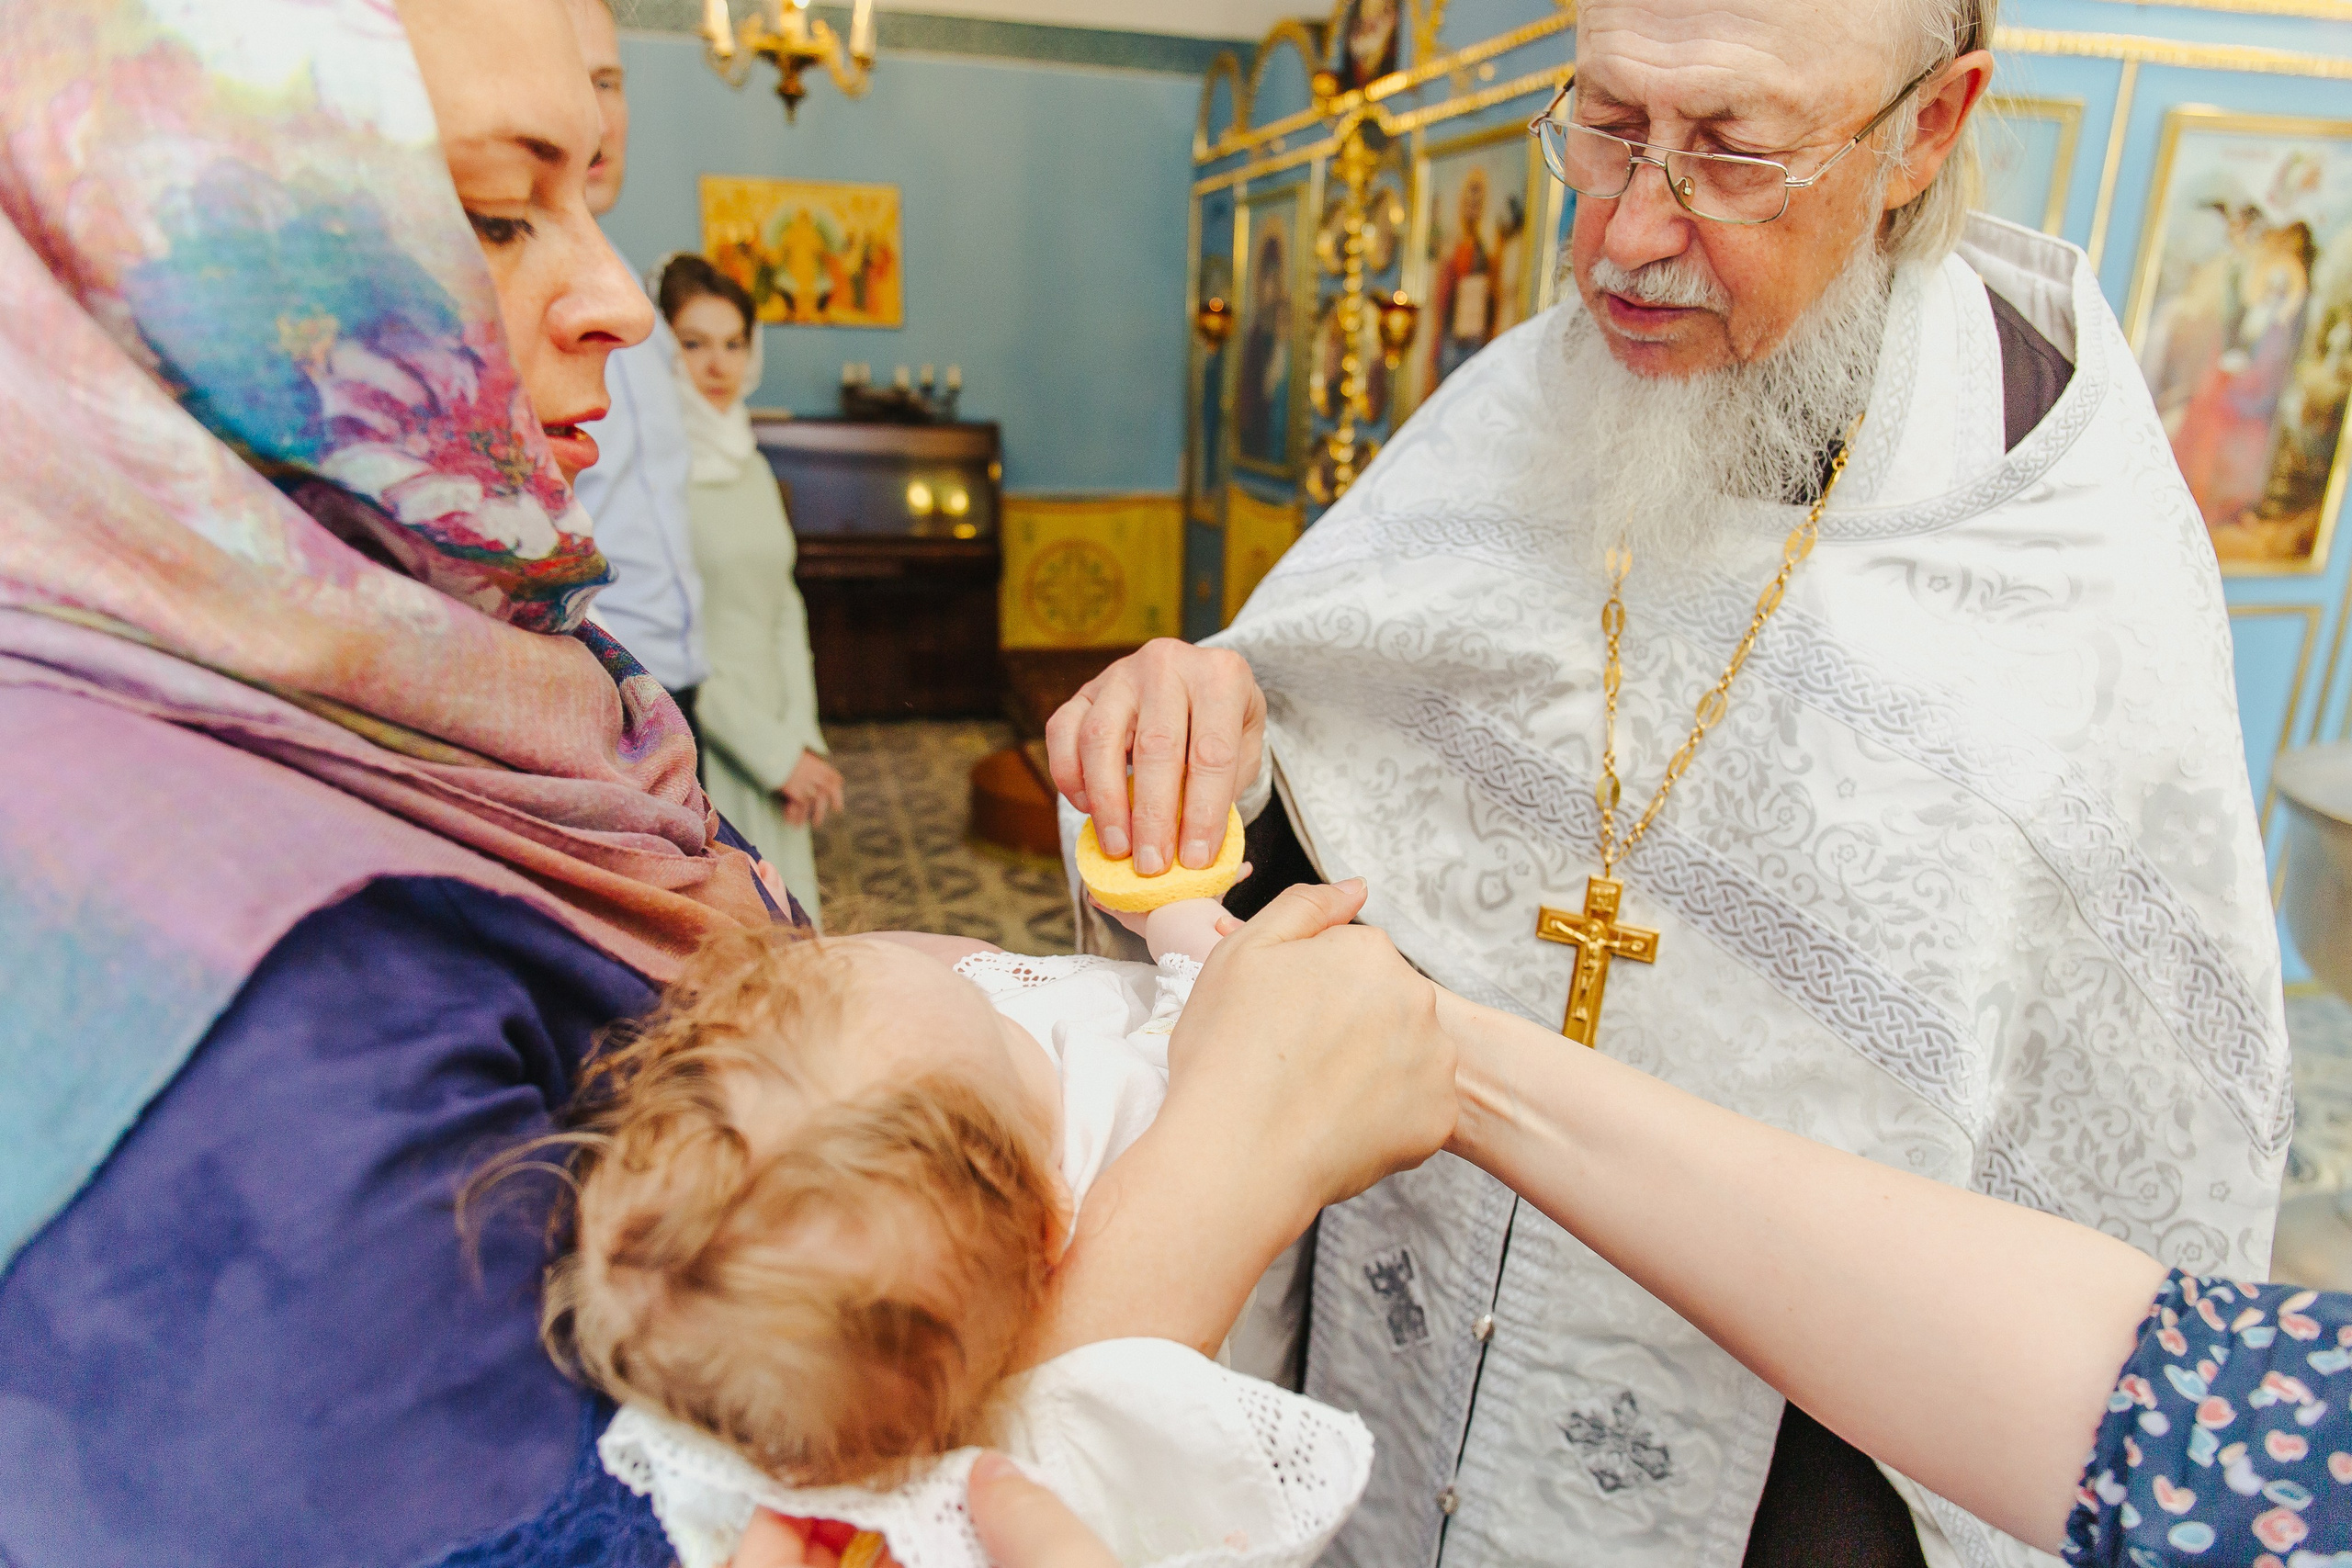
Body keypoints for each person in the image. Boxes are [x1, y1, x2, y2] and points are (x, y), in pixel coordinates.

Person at [0, 4, 1460, 1563]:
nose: (620, 299)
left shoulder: (457, 658)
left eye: (593, 196)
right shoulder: (256, 995)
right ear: (166, 254)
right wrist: (1229, 1159)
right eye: (500, 212)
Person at [1047, 1, 2291, 1562]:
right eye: (1608, 125)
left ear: (1928, 125)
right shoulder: (1522, 397)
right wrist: (1211, 722)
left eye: (1732, 153)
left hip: (1776, 1479)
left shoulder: (2062, 553)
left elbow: (2120, 1144)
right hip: (1396, 1351)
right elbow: (1314, 738)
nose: (1630, 233)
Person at [554, 893, 1368, 1567]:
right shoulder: (1129, 1133)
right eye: (996, 1026)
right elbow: (1216, 1026)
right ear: (1050, 1224)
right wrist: (1185, 934)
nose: (997, 994)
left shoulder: (879, 1341)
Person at [659, 254, 842, 920]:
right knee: (739, 932)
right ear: (661, 348)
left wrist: (802, 738)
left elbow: (784, 606)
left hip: (778, 734)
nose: (718, 365)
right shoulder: (658, 479)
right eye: (694, 343)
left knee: (795, 927)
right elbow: (672, 644)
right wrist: (770, 753)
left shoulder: (752, 464)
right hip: (711, 740)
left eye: (734, 344)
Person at [567, 0, 713, 730]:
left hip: (669, 683)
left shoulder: (629, 290)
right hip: (596, 692)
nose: (596, 120)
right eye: (570, 79)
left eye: (607, 82)